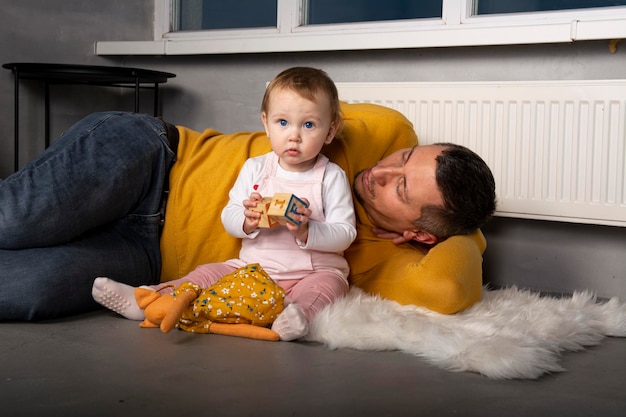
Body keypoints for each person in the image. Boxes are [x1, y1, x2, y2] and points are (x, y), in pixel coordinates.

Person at [0, 67, 496, 323]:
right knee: (15, 221)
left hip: (146, 256)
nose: (383, 170)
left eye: (401, 186)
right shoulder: (382, 131)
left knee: (28, 290)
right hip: (153, 162)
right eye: (405, 157)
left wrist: (467, 233)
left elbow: (450, 289)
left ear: (417, 234)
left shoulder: (388, 259)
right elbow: (302, 102)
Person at [92, 67, 357, 341]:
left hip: (312, 272)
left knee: (327, 288)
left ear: (330, 131)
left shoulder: (330, 176)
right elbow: (229, 217)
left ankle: (296, 318)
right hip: (255, 268)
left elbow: (345, 234)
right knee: (207, 273)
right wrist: (247, 220)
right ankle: (149, 298)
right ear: (266, 123)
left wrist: (306, 230)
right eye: (283, 122)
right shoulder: (255, 169)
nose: (294, 135)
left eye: (309, 125)